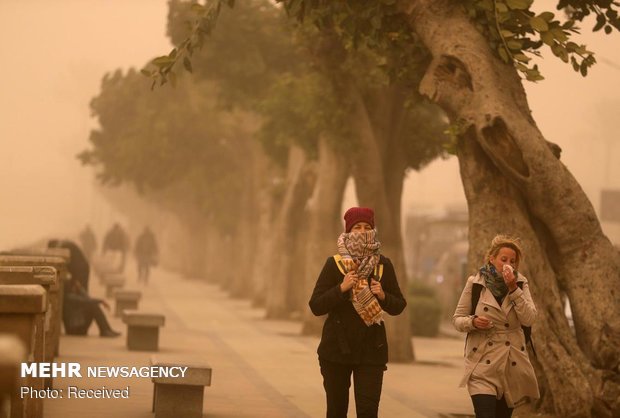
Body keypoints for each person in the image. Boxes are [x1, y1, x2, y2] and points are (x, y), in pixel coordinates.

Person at [309, 207, 407, 418]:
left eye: (367, 227)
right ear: (348, 231)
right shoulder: (334, 264)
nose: (362, 232)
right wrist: (341, 289)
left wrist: (383, 296)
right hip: (336, 350)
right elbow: (316, 305)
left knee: (368, 412)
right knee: (336, 412)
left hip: (371, 351)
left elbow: (399, 305)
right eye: (357, 227)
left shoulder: (383, 265)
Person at [453, 235, 539, 418]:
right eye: (504, 259)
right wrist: (473, 322)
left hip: (509, 364)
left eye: (513, 261)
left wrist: (513, 289)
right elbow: (458, 319)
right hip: (481, 363)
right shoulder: (475, 283)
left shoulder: (521, 284)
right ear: (492, 259)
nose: (509, 264)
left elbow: (529, 319)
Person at [48, 239, 120, 338]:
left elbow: (80, 297)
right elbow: (72, 299)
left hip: (76, 323)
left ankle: (106, 329)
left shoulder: (67, 279)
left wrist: (94, 300)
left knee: (91, 303)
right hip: (73, 327)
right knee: (92, 304)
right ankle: (105, 330)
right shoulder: (63, 281)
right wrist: (97, 301)